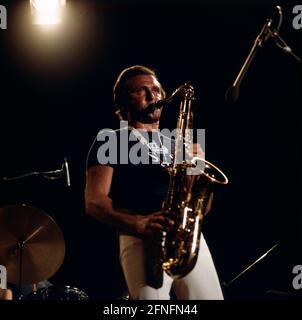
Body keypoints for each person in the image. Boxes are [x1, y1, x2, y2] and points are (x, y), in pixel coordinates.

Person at [85, 65, 224, 300]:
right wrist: (138, 223)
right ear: (123, 101)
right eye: (142, 90)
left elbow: (202, 207)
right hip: (140, 237)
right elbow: (94, 202)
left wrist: (197, 168)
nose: (153, 96)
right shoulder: (111, 139)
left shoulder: (178, 143)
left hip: (186, 237)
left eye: (157, 90)